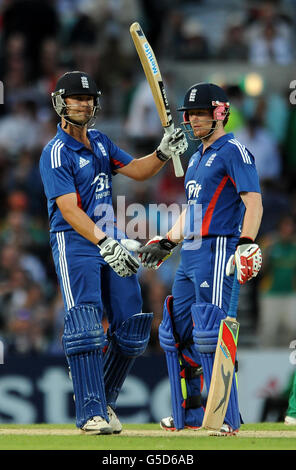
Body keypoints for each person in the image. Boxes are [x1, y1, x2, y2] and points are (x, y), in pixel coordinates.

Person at [39, 70, 187, 435]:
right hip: (74, 240)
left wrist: (163, 152)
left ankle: (102, 401)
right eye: (76, 98)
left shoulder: (102, 142)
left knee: (133, 327)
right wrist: (104, 242)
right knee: (85, 325)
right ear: (60, 102)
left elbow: (138, 170)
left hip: (111, 235)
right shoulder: (55, 152)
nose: (84, 104)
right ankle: (89, 413)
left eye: (88, 98)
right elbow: (69, 209)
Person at [138, 82, 263, 435]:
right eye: (190, 114)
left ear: (219, 113)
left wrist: (246, 243)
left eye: (200, 114)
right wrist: (166, 242)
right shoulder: (196, 157)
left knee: (212, 329)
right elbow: (192, 211)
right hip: (191, 251)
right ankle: (193, 415)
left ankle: (225, 416)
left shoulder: (233, 150)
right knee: (177, 332)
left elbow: (253, 200)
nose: (192, 121)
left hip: (219, 247)